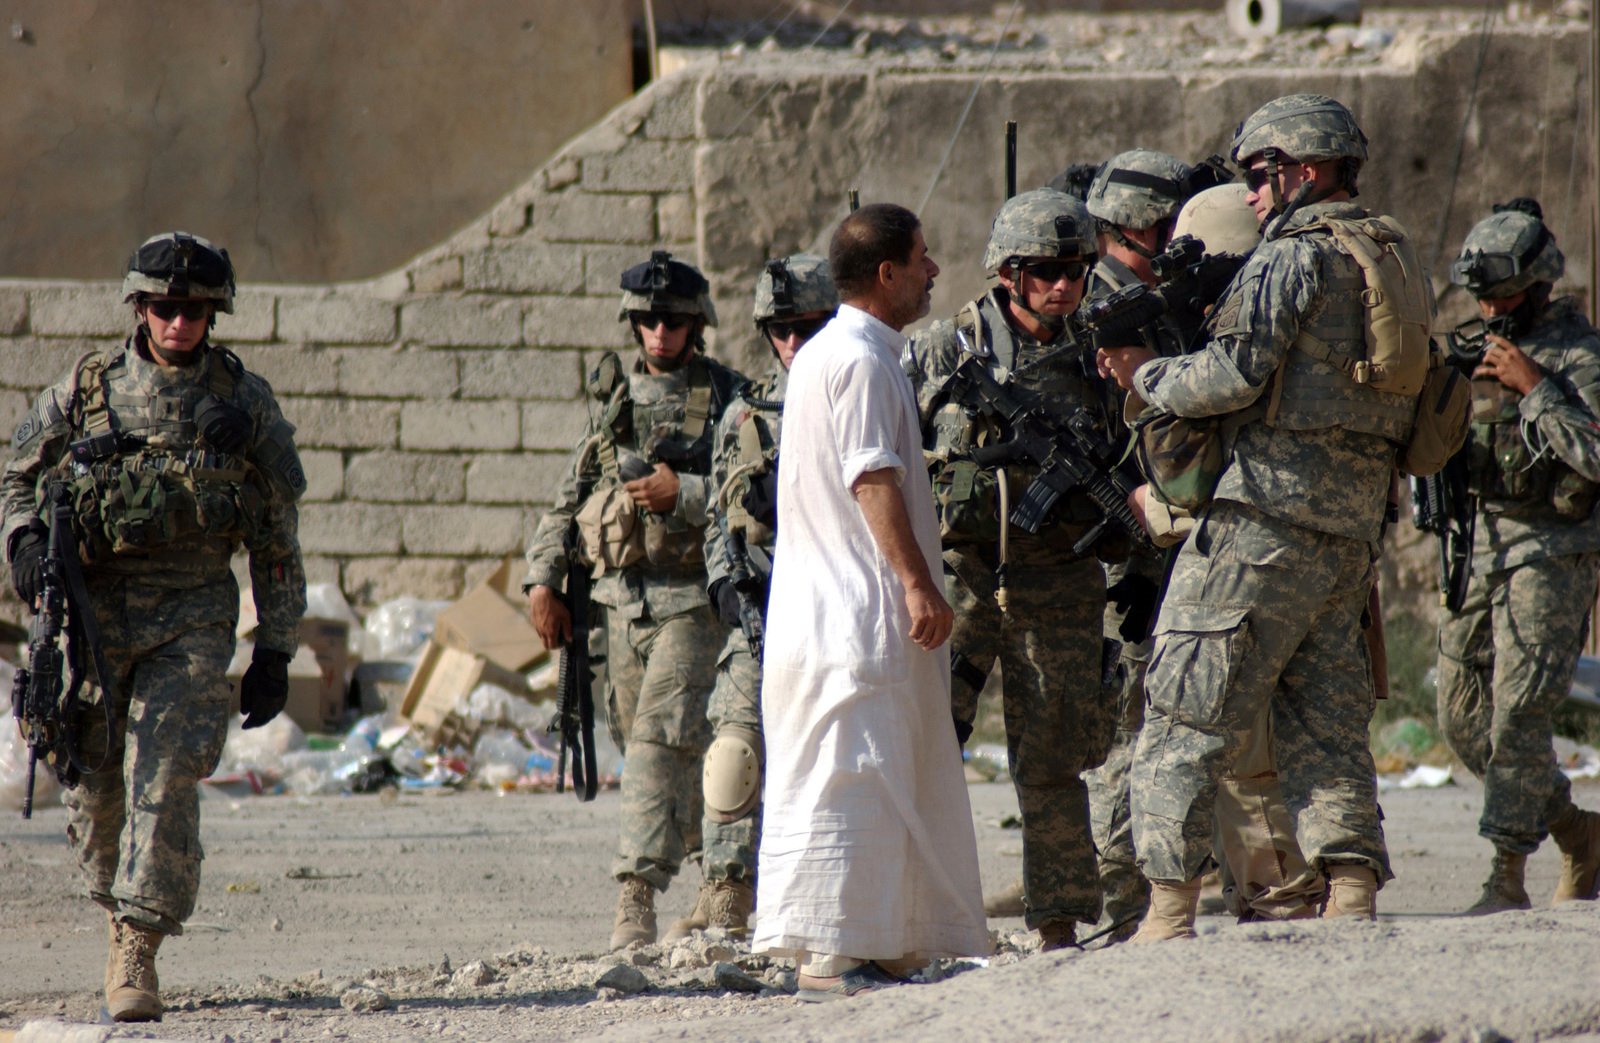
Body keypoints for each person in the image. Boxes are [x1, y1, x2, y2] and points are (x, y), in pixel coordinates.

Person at [1105, 94, 1413, 939]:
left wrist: (1144, 378)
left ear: (1304, 172)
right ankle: (1351, 890)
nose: (1251, 196)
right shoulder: (1394, 254)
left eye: (1260, 175)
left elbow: (1232, 376)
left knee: (1182, 711)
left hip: (1260, 522)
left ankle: (1167, 910)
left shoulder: (1293, 258)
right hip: (1348, 532)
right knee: (1327, 720)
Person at [1, 231, 308, 1020]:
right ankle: (116, 913)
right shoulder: (87, 389)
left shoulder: (245, 402)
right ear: (140, 307)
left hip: (195, 615)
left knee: (165, 773)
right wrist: (26, 542)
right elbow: (19, 480)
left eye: (195, 310)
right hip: (95, 618)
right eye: (165, 307)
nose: (179, 323)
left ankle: (139, 944)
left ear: (214, 313)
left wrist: (274, 644)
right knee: (97, 787)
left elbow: (277, 529)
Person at [754, 203, 988, 999]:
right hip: (848, 615)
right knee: (849, 777)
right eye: (921, 258)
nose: (932, 271)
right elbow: (870, 476)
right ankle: (832, 951)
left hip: (847, 616)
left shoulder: (850, 353)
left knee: (885, 772)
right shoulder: (855, 358)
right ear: (885, 273)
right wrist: (919, 581)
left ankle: (883, 938)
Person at [1089, 182, 1323, 940]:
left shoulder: (1232, 342)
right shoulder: (1303, 318)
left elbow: (1189, 479)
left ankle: (1250, 896)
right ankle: (1292, 888)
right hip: (1307, 551)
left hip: (1234, 562)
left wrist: (1147, 386)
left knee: (1223, 740)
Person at [902, 188, 1115, 951]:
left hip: (1059, 580)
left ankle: (1057, 921)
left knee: (1055, 756)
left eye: (1077, 268)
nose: (1064, 286)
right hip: (956, 577)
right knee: (922, 745)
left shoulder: (1099, 353)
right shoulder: (941, 350)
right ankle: (911, 913)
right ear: (1007, 274)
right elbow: (881, 446)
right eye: (1045, 270)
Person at [522, 251, 745, 950]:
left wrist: (689, 495)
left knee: (657, 741)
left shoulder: (730, 399)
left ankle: (635, 897)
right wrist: (542, 579)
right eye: (647, 320)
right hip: (621, 606)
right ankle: (724, 881)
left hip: (694, 603)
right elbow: (568, 496)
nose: (659, 332)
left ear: (696, 323)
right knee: (665, 745)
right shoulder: (613, 404)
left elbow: (754, 497)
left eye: (673, 320)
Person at [665, 253, 839, 941]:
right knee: (733, 749)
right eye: (780, 331)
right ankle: (728, 890)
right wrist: (724, 586)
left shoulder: (858, 390)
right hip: (762, 605)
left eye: (805, 327)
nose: (792, 344)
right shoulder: (746, 411)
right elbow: (719, 518)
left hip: (834, 609)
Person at [1437, 198, 1600, 913]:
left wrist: (1537, 389)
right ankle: (1575, 829)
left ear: (1537, 284)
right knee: (1461, 713)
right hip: (1486, 544)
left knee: (1518, 713)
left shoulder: (1579, 355)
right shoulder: (1477, 344)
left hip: (1555, 548)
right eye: (1482, 297)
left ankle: (1505, 873)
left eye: (1503, 294)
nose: (1492, 309)